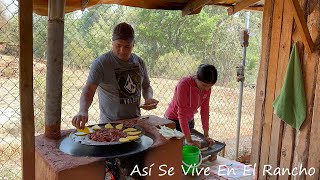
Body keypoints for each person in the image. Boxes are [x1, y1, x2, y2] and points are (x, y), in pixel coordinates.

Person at [72, 22, 158, 129]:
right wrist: (83, 110)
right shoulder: (102, 63)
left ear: (133, 44)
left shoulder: (139, 62)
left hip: (135, 122)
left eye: (127, 46)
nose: (122, 51)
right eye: (118, 45)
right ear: (112, 43)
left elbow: (146, 86)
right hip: (110, 125)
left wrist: (149, 98)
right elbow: (89, 89)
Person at [164, 64, 217, 148]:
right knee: (175, 150)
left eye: (210, 86)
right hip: (173, 120)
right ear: (197, 78)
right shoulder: (184, 84)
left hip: (189, 121)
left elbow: (205, 110)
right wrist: (189, 140)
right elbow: (182, 113)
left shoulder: (207, 88)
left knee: (189, 150)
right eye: (204, 85)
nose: (207, 89)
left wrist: (206, 135)